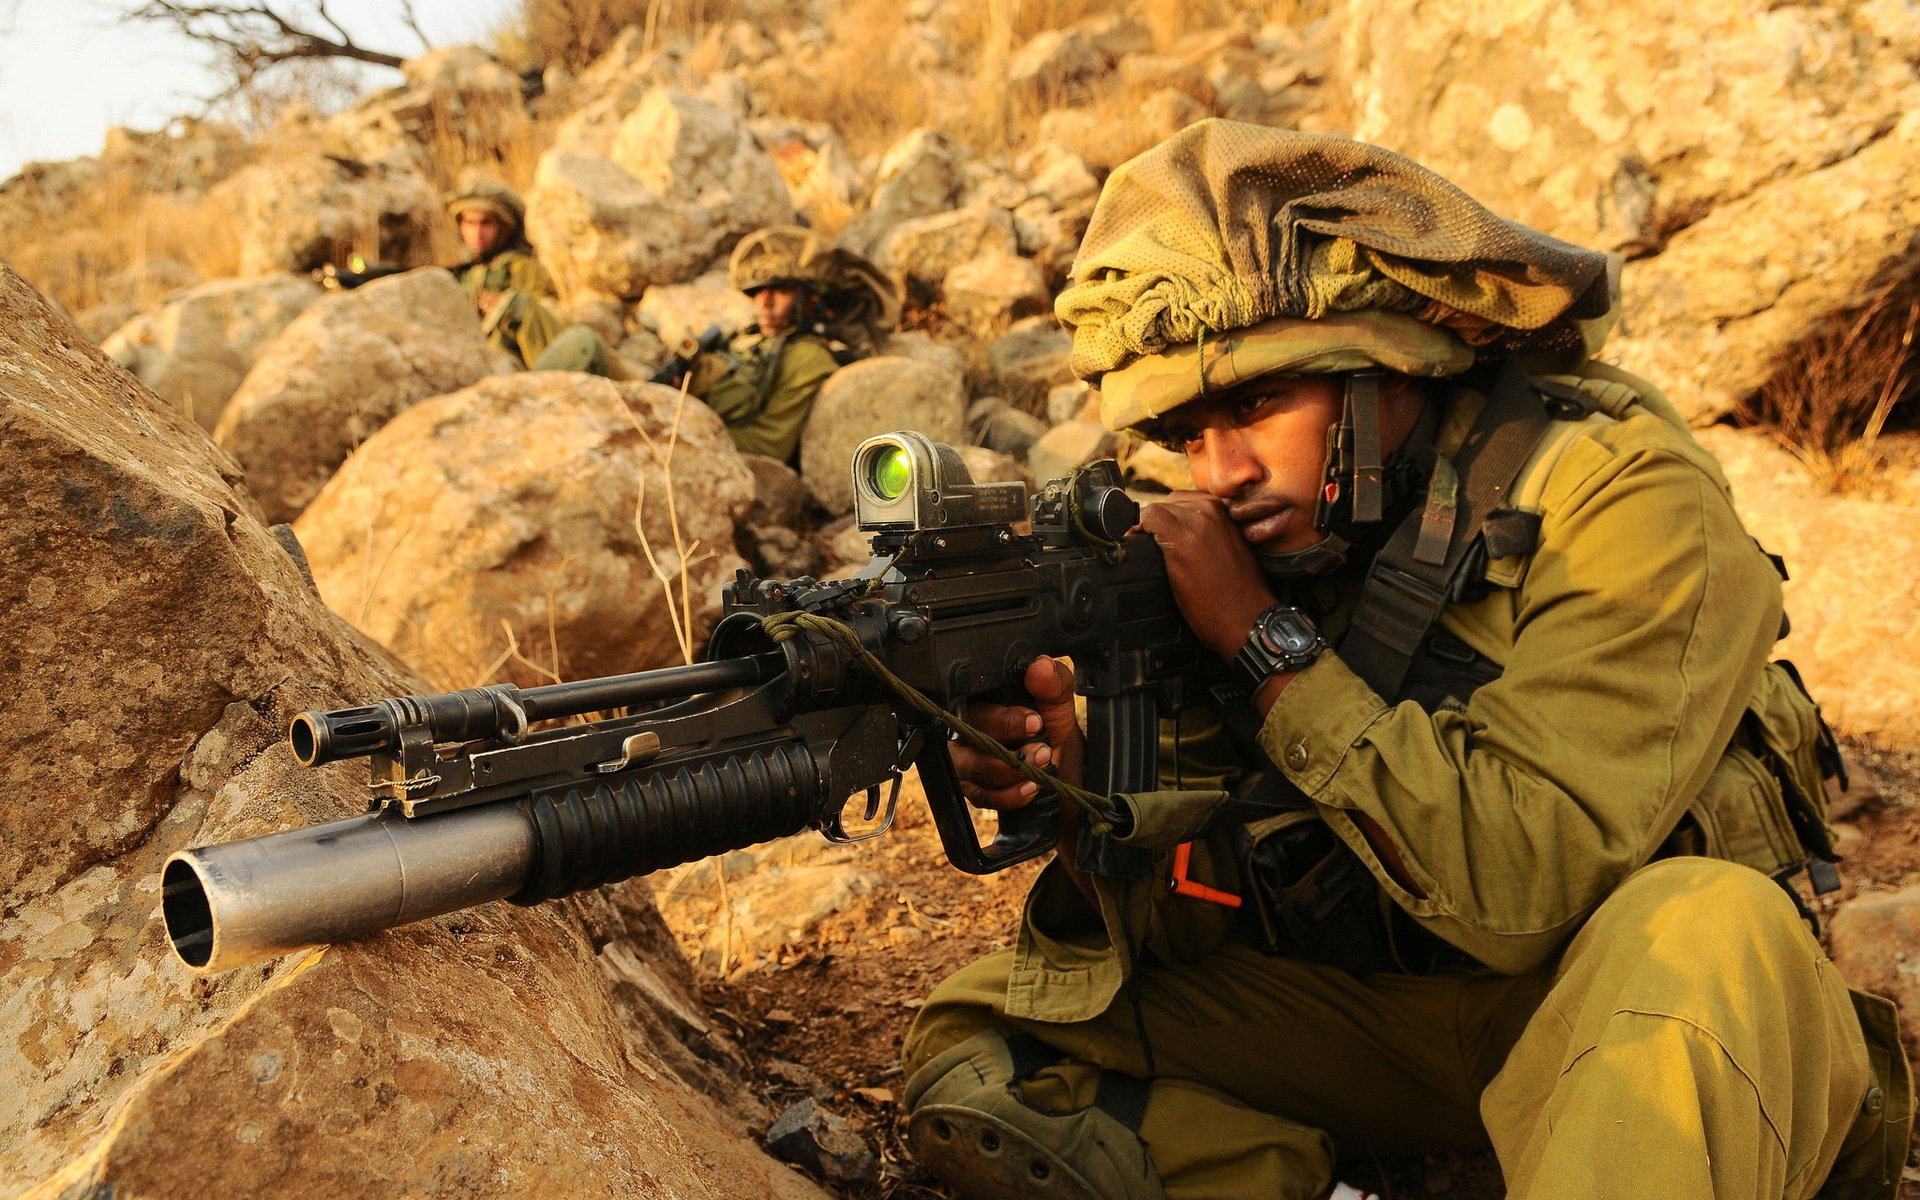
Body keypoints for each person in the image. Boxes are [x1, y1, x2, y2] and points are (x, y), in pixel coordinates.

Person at [900, 122, 1911, 1200]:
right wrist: (1078, 791)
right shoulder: (1258, 540)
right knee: (991, 1031)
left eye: (1254, 406)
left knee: (1719, 925)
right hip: (1389, 1020)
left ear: (1388, 367)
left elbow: (1524, 886)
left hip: (1613, 1007)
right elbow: (1204, 915)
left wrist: (1265, 645)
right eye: (1189, 432)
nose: (1222, 471)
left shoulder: (1623, 499)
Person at [682, 225, 896, 463]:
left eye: (781, 290)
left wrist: (690, 439)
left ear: (809, 299)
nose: (765, 302)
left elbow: (770, 444)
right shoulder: (741, 336)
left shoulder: (807, 357)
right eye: (758, 291)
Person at [445, 179, 625, 377]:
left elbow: (550, 316)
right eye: (470, 223)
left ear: (504, 227)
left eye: (486, 223)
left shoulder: (524, 269)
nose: (477, 232)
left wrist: (502, 307)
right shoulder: (457, 276)